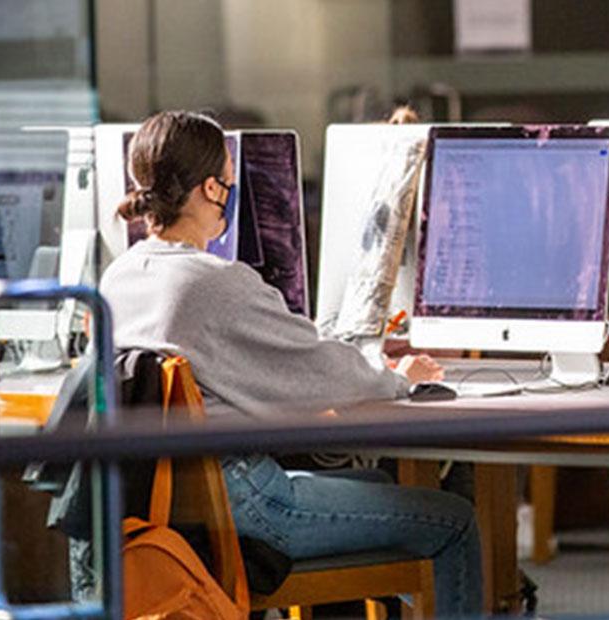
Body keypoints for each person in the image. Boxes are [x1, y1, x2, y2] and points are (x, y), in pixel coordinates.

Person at [100, 111, 481, 616]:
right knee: (453, 521)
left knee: (382, 489)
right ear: (212, 189)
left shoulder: (117, 279)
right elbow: (321, 373)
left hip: (173, 513)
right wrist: (398, 379)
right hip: (251, 506)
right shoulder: (212, 282)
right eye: (230, 185)